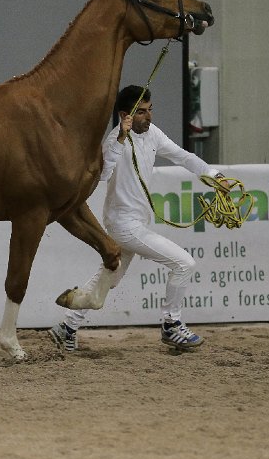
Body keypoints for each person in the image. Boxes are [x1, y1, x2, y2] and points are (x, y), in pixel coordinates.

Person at [49, 85, 226, 352]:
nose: (149, 116)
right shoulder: (114, 141)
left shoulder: (153, 133)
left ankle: (67, 327)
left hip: (136, 223)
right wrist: (121, 137)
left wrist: (214, 176)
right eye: (141, 112)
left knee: (110, 277)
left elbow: (183, 157)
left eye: (150, 110)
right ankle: (171, 324)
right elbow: (103, 174)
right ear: (125, 115)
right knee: (184, 263)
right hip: (123, 225)